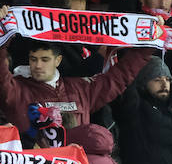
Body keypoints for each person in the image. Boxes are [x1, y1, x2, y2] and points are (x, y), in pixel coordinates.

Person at [0, 24, 151, 133]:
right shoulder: (16, 89)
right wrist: (2, 39)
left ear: (58, 61)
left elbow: (118, 78)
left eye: (44, 59)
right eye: (33, 59)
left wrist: (148, 46)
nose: (38, 65)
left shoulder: (80, 88)